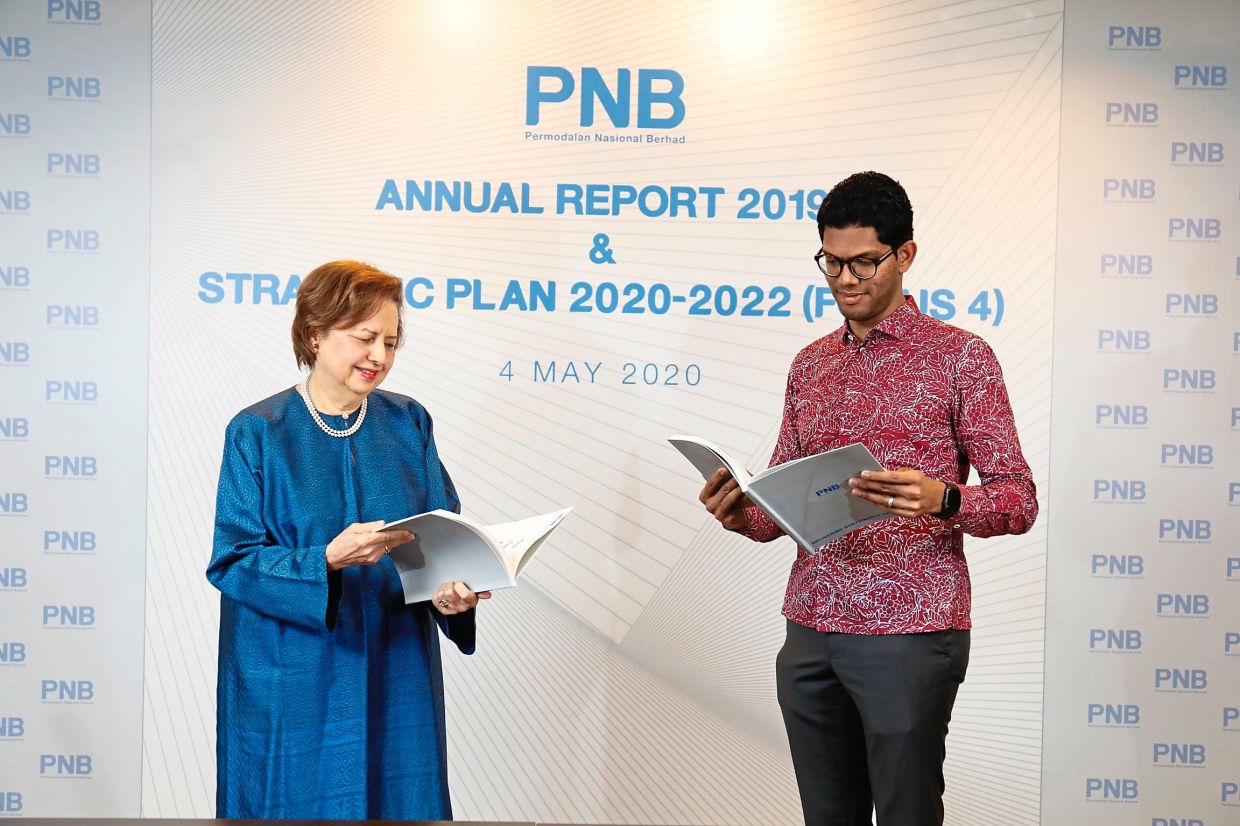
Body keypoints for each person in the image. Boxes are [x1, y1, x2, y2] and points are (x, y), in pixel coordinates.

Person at [698, 172, 1037, 826]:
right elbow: (781, 509)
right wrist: (741, 513)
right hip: (810, 627)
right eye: (831, 262)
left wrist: (944, 499)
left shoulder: (961, 358)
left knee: (907, 814)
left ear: (904, 255)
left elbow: (1017, 500)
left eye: (863, 263)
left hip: (911, 631)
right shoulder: (810, 365)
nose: (844, 279)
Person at [206, 260, 489, 820]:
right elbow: (232, 563)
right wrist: (325, 561)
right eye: (364, 338)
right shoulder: (258, 431)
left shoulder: (409, 422)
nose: (378, 356)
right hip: (290, 675)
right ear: (315, 334)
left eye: (390, 342)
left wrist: (453, 594)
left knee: (400, 803)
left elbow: (443, 536)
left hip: (395, 663)